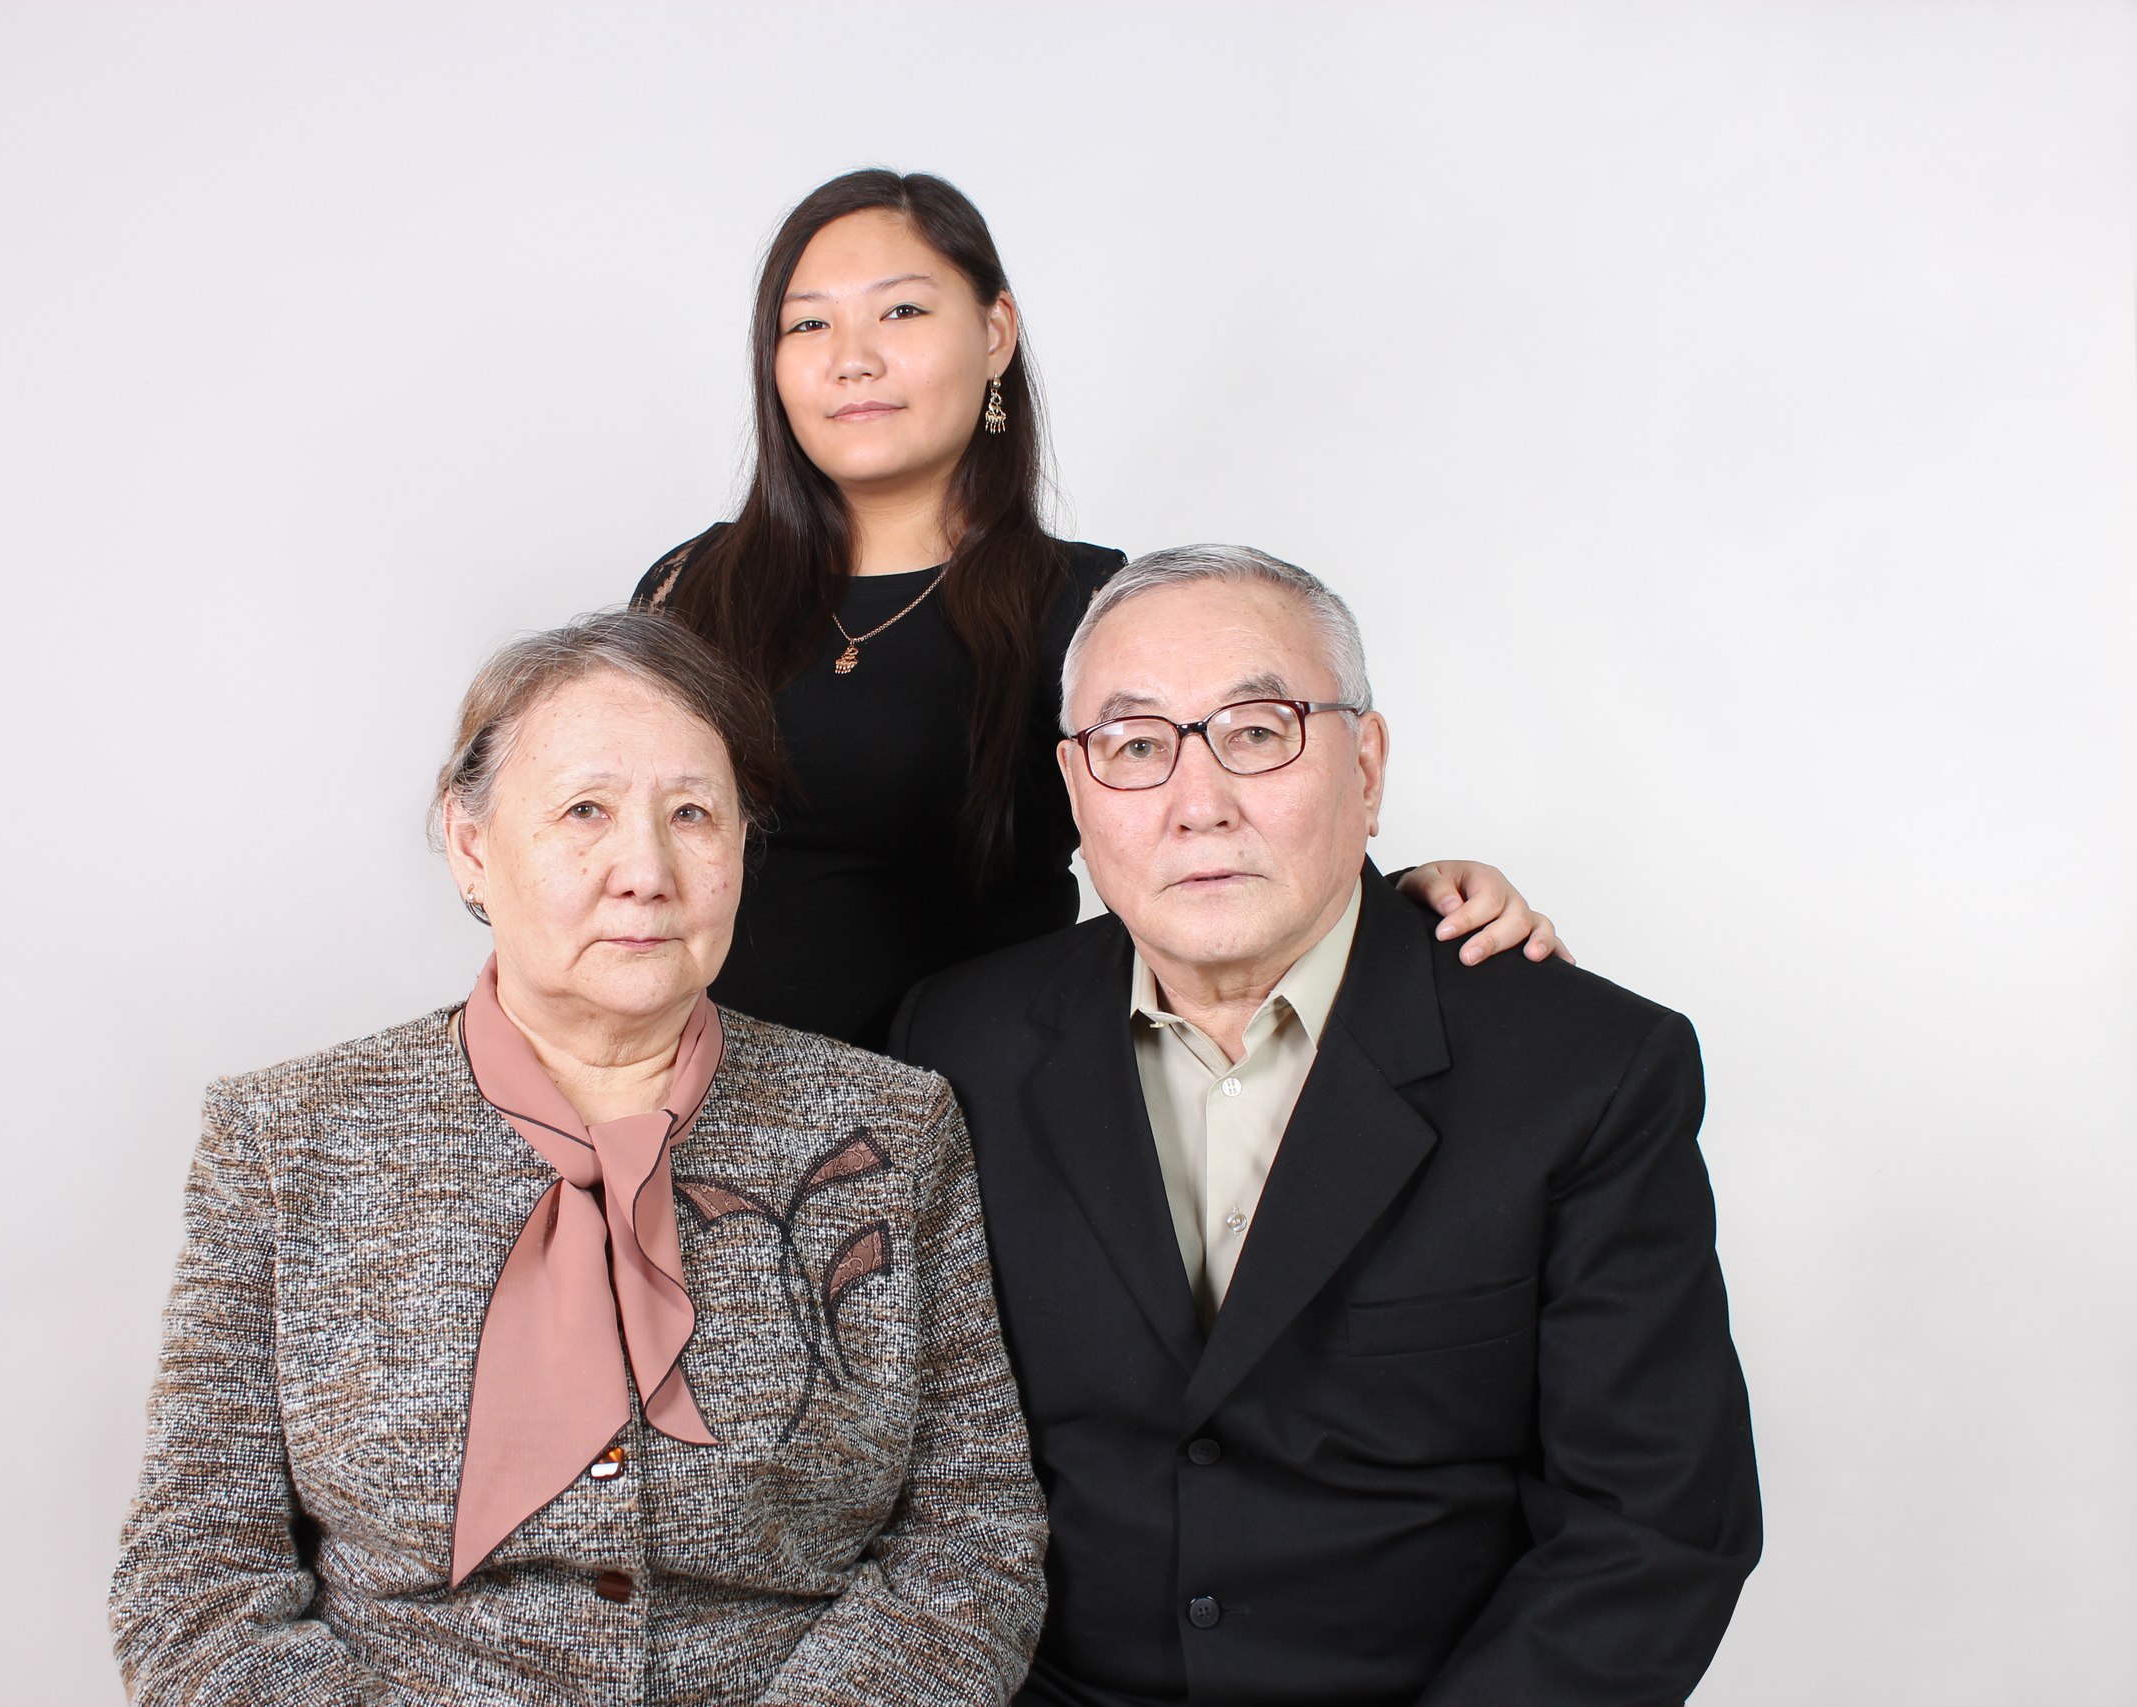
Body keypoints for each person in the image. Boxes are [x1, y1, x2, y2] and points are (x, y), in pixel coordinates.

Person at [111, 612, 1049, 1705]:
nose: (644, 870)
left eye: (692, 813)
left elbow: (971, 1542)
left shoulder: (890, 1130)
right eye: (584, 811)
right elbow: (193, 1583)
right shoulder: (285, 1139)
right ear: (471, 844)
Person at [890, 546, 1760, 1706]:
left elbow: (1651, 1526)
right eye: (1135, 746)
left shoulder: (1584, 1069)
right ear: (1076, 790)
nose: (1198, 804)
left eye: (1256, 732)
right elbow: (895, 1482)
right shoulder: (958, 1045)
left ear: (1367, 764)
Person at [636, 169, 1564, 1049]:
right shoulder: (689, 587)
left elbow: (1214, 820)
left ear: (995, 332)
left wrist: (1412, 897)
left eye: (902, 310)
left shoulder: (1088, 608)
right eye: (808, 325)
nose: (852, 360)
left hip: (968, 1109)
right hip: (686, 1103)